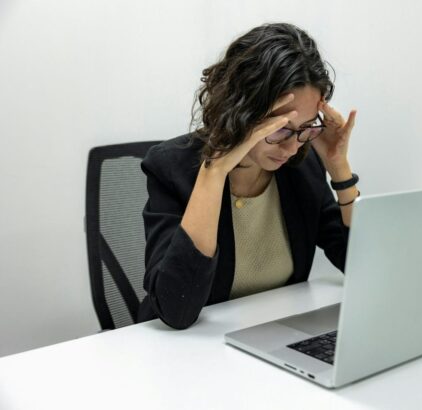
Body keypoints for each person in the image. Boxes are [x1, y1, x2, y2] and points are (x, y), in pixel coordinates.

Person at [137, 22, 359, 329]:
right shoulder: (171, 167)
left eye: (306, 128)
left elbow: (363, 267)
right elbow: (177, 310)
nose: (292, 146)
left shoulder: (300, 168)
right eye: (280, 128)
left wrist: (339, 170)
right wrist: (214, 173)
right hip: (187, 354)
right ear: (239, 110)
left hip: (271, 337)